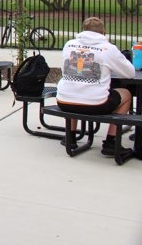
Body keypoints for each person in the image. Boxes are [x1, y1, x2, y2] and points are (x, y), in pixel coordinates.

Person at [56, 17, 135, 158]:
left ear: (83, 30)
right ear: (103, 32)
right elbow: (130, 73)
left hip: (64, 102)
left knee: (75, 88)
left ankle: (71, 137)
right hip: (95, 105)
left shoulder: (69, 44)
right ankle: (111, 142)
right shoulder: (108, 49)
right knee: (126, 94)